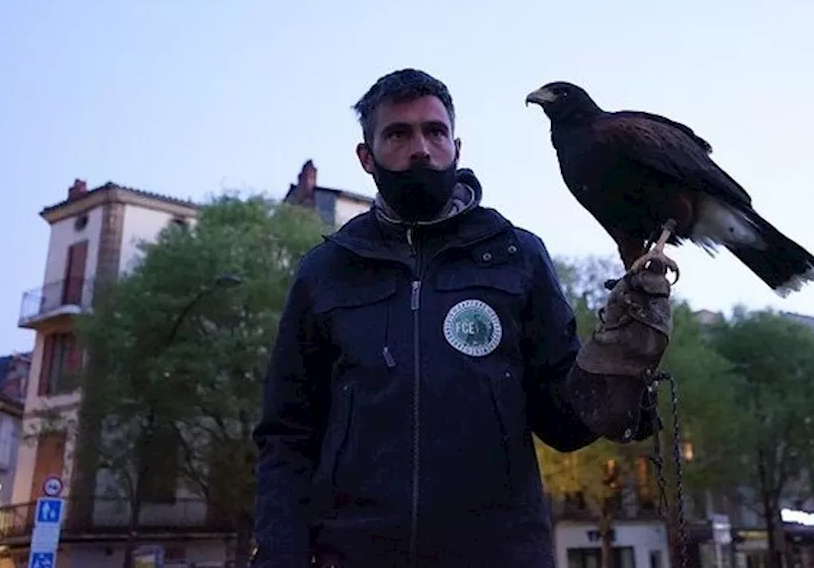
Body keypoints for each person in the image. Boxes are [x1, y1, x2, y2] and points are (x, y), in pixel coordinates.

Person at [251, 69, 676, 568]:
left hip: (500, 553)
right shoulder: (324, 272)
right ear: (366, 158)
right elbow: (287, 435)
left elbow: (563, 423)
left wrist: (617, 371)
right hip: (352, 552)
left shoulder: (518, 255)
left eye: (434, 132)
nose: (421, 148)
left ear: (457, 145)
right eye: (398, 133)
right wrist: (281, 553)